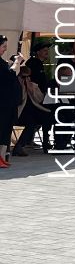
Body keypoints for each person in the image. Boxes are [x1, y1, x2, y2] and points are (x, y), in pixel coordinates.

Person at [13, 64, 53, 156]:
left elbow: (40, 99)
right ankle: (20, 145)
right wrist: (23, 88)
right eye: (24, 76)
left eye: (28, 76)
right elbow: (18, 100)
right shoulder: (16, 85)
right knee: (31, 123)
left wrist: (33, 90)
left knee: (47, 117)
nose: (26, 79)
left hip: (34, 110)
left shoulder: (32, 85)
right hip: (19, 112)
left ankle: (46, 142)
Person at [0, 35, 26, 167]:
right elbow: (10, 76)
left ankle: (2, 157)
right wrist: (17, 62)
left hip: (8, 102)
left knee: (6, 129)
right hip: (3, 102)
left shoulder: (2, 62)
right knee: (2, 128)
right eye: (3, 46)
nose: (5, 49)